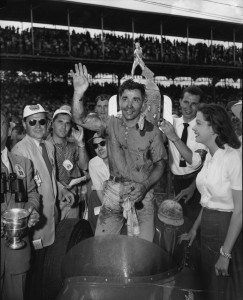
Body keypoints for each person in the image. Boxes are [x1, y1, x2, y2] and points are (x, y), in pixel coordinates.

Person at [71, 63, 167, 242]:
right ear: (119, 101)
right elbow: (80, 118)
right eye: (125, 99)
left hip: (142, 193)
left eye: (135, 100)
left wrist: (145, 186)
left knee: (143, 248)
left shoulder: (153, 131)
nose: (129, 105)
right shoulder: (110, 123)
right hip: (114, 192)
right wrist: (78, 92)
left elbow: (160, 164)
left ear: (143, 102)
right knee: (101, 243)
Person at [11, 104, 74, 300]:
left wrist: (62, 189)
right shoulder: (19, 151)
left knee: (46, 264)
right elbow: (20, 193)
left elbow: (49, 176)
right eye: (32, 122)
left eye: (42, 121)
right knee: (33, 267)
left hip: (51, 215)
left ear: (47, 123)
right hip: (34, 220)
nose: (38, 126)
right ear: (24, 124)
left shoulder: (48, 145)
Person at [180, 104, 242, 300]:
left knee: (223, 288)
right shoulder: (209, 156)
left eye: (198, 123)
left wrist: (225, 255)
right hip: (207, 227)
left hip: (226, 231)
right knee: (208, 286)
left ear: (214, 128)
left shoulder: (232, 157)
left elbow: (240, 211)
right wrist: (194, 230)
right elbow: (208, 200)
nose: (193, 127)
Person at [1, 111, 40, 300]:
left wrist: (32, 209)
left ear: (9, 130)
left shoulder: (23, 163)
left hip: (18, 248)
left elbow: (32, 192)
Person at [160, 86, 207, 222]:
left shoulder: (202, 127)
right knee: (172, 222)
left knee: (191, 223)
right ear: (180, 101)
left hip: (195, 181)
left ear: (200, 105)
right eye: (186, 102)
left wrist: (173, 136)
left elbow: (196, 162)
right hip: (172, 179)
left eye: (194, 104)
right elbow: (158, 142)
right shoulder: (171, 122)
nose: (189, 107)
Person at [47, 105, 89, 219]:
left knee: (71, 233)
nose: (64, 126)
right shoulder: (45, 146)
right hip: (54, 199)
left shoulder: (73, 145)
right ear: (52, 123)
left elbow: (84, 166)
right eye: (60, 122)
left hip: (72, 198)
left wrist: (81, 144)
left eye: (67, 123)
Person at [88, 133, 110, 233]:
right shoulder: (93, 163)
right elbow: (99, 190)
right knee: (98, 225)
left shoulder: (120, 159)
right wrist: (108, 209)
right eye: (95, 146)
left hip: (121, 197)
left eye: (102, 143)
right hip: (100, 197)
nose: (99, 148)